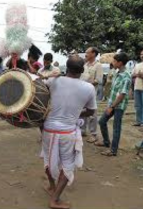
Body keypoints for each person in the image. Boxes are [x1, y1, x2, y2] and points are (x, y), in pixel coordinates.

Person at [42, 55, 97, 209]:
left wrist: (49, 75)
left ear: (66, 67)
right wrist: (76, 113)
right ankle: (54, 200)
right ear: (82, 70)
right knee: (68, 165)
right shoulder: (88, 88)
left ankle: (52, 186)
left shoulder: (53, 81)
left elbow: (38, 87)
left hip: (48, 128)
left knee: (47, 157)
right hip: (67, 132)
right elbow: (91, 111)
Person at [95, 52, 131, 156]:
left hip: (119, 106)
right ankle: (106, 142)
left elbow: (122, 95)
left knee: (116, 127)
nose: (113, 62)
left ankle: (113, 150)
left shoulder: (126, 76)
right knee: (102, 121)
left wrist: (111, 107)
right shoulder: (116, 72)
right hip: (112, 103)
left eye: (115, 61)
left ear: (120, 63)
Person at [80, 47, 103, 143]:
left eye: (88, 52)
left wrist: (88, 83)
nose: (86, 54)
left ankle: (94, 134)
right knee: (83, 111)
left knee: (92, 113)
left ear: (93, 54)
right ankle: (82, 130)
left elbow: (99, 80)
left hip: (92, 92)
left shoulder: (98, 65)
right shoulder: (85, 64)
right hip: (83, 91)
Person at [132, 50, 143, 126]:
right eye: (141, 54)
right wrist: (137, 74)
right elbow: (132, 74)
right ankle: (139, 121)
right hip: (137, 87)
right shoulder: (137, 65)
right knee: (137, 105)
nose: (142, 55)